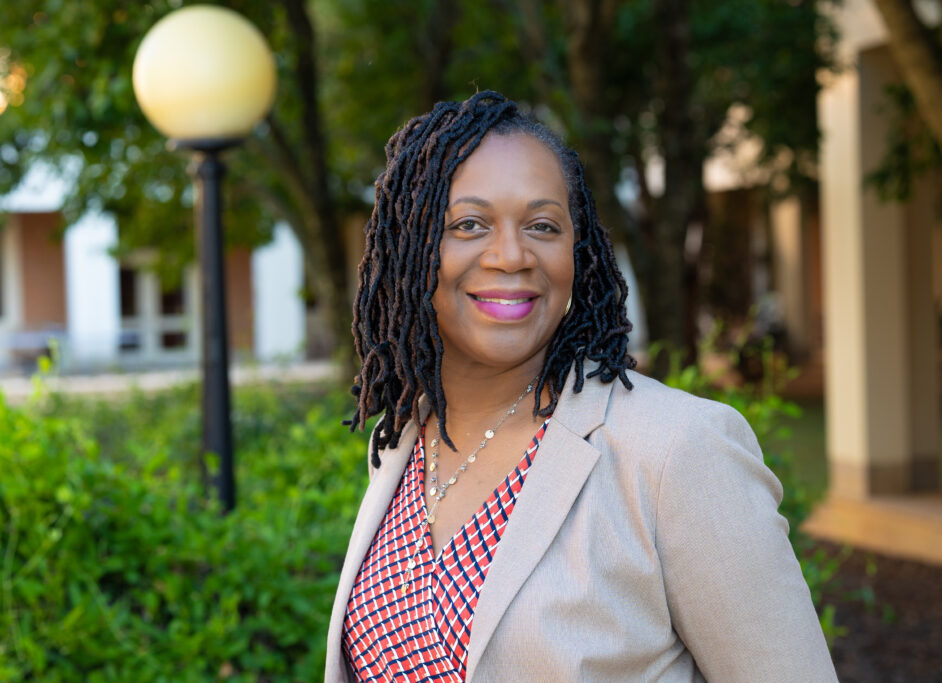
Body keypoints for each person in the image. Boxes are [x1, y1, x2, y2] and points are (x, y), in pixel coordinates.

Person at [325, 91, 837, 682]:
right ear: (410, 249)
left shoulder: (676, 450)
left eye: (543, 225)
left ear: (579, 249)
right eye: (469, 224)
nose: (512, 255)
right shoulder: (403, 444)